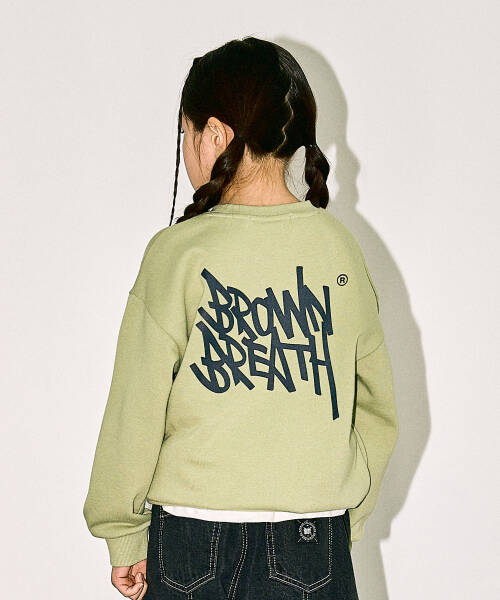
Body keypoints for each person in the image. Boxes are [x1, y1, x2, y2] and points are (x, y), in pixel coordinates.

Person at [83, 36, 399, 600]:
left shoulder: (177, 253)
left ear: (215, 134)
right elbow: (375, 405)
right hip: (312, 539)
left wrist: (123, 532)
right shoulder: (337, 250)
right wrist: (340, 514)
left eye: (185, 134)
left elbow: (135, 408)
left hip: (189, 543)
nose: (186, 150)